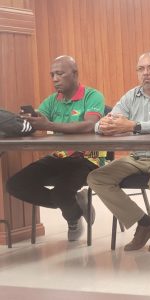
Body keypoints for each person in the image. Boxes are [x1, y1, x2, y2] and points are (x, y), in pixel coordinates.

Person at [87, 52, 150, 252]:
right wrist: (104, 126)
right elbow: (106, 121)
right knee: (97, 178)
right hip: (138, 157)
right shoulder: (130, 96)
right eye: (141, 69)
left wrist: (135, 126)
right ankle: (145, 224)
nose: (146, 73)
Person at [7, 55, 105, 241]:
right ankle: (74, 207)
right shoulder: (52, 100)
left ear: (75, 74)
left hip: (89, 158)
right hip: (59, 156)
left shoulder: (93, 96)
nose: (54, 79)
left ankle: (71, 216)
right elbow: (40, 123)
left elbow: (89, 125)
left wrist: (49, 125)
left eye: (60, 74)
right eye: (52, 75)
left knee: (61, 193)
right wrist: (29, 121)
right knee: (15, 185)